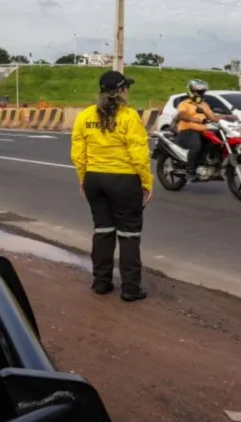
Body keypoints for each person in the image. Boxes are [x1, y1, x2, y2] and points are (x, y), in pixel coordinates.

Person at [70, 70, 152, 302]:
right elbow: (139, 154)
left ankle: (101, 282)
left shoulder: (85, 116)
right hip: (124, 180)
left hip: (95, 180)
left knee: (103, 231)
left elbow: (78, 153)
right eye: (127, 87)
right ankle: (130, 289)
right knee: (128, 234)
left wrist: (83, 178)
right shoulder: (129, 117)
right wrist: (146, 182)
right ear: (122, 90)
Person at [174, 80, 222, 182]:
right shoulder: (184, 103)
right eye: (198, 92)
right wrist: (195, 119)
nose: (201, 94)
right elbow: (182, 115)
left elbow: (212, 117)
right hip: (187, 130)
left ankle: (209, 163)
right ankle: (190, 171)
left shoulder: (204, 105)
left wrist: (229, 117)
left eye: (202, 92)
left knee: (218, 141)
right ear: (191, 91)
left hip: (202, 131)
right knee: (196, 145)